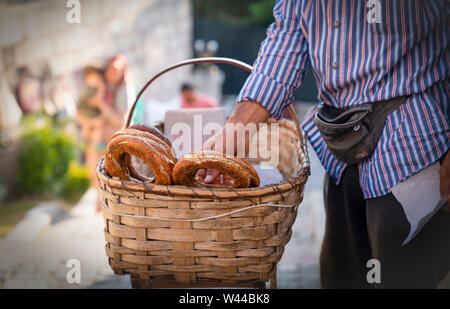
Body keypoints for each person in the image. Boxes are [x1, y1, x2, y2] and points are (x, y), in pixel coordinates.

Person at [200, 0, 449, 288]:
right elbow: (285, 44)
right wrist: (236, 129)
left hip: (413, 148)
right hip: (341, 152)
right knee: (341, 274)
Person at [77, 54, 135, 210]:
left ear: (122, 71)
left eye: (116, 70)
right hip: (96, 139)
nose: (112, 73)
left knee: (113, 176)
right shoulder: (99, 85)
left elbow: (121, 120)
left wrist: (102, 106)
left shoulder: (124, 90)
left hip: (113, 141)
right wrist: (90, 123)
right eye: (109, 69)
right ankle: (100, 201)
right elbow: (81, 112)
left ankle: (109, 205)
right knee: (94, 173)